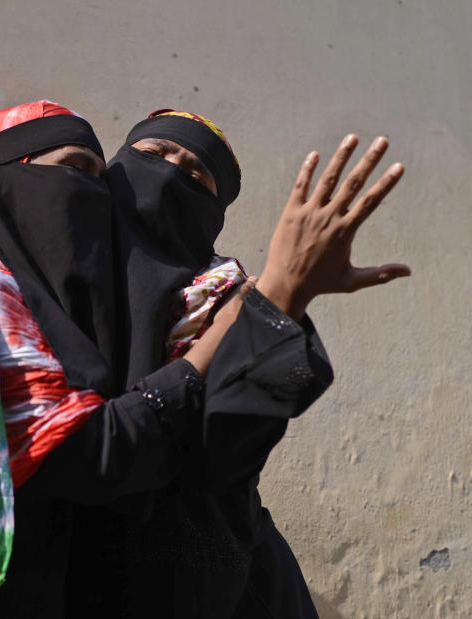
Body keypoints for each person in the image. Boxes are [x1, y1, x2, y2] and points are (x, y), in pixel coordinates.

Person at [0, 101, 255, 618]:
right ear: (4, 181)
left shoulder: (83, 312)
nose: (91, 197)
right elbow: (95, 455)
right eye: (74, 170)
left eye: (101, 180)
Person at [61, 112, 407, 618]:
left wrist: (285, 297)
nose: (173, 170)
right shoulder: (57, 269)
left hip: (205, 569)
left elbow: (231, 450)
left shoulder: (229, 297)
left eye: (197, 174)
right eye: (155, 153)